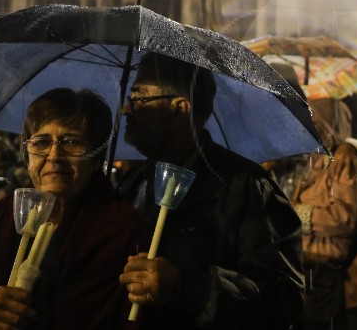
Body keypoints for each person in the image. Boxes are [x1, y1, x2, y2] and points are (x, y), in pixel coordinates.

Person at [0, 88, 152, 330]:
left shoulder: (124, 231)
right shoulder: (3, 215)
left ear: (96, 157)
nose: (54, 156)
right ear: (26, 154)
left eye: (71, 142)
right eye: (41, 142)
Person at [117, 52, 305, 329]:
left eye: (140, 98)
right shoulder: (136, 182)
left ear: (180, 107)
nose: (126, 109)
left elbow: (283, 299)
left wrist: (187, 288)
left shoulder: (247, 188)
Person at [293, 98, 357, 330]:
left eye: (314, 123)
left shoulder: (348, 164)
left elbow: (343, 219)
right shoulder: (313, 165)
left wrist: (300, 215)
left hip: (353, 286)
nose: (306, 130)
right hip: (322, 280)